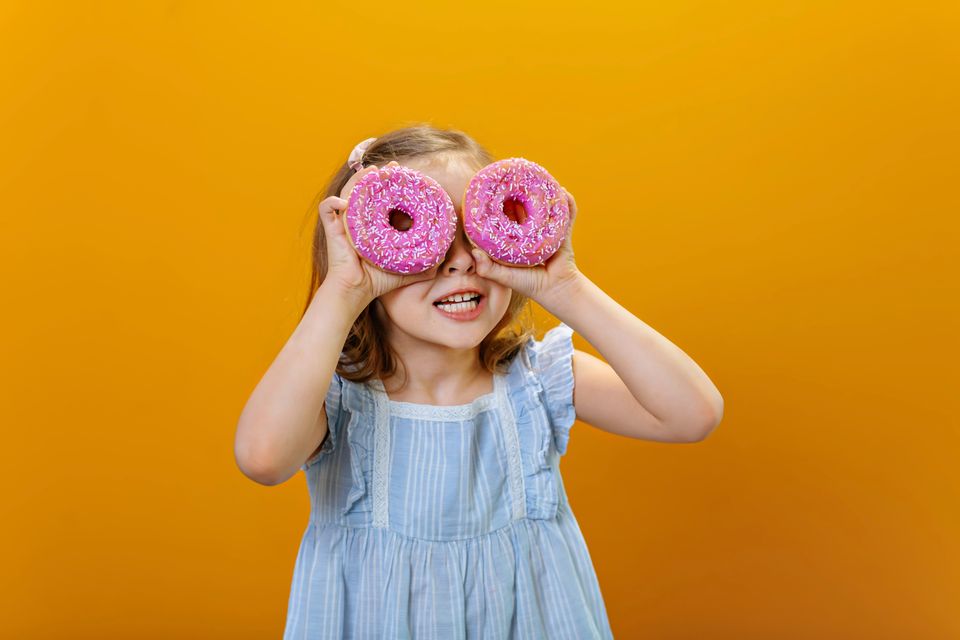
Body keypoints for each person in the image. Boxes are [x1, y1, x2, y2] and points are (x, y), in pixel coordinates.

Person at [234, 124, 724, 639]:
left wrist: (565, 286)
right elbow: (263, 459)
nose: (462, 260)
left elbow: (693, 414)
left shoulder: (537, 381)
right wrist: (344, 289)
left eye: (477, 231)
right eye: (414, 228)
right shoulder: (334, 397)